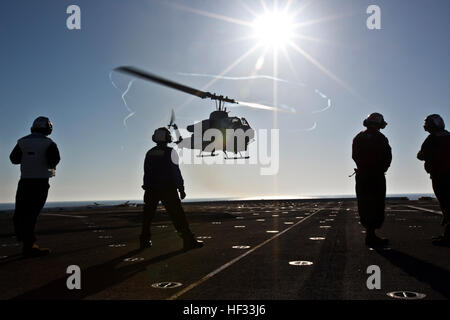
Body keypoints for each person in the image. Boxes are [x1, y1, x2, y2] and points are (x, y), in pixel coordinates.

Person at [140, 127, 203, 251]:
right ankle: (188, 240)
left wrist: (147, 186)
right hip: (167, 189)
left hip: (151, 189)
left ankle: (144, 241)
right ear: (168, 138)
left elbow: (146, 172)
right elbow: (175, 171)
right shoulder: (170, 152)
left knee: (147, 217)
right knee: (178, 216)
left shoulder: (150, 152)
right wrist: (181, 188)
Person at [9, 116, 60, 258]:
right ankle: (29, 246)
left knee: (20, 213)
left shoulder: (22, 142)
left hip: (24, 181)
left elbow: (14, 159)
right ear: (48, 128)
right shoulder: (49, 143)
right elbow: (54, 160)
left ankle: (25, 241)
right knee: (32, 214)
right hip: (41, 182)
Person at [352, 113, 392, 247]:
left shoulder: (359, 137)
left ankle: (370, 234)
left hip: (362, 175)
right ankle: (371, 235)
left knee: (364, 204)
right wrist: (381, 169)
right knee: (377, 204)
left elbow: (355, 156)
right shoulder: (381, 138)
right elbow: (387, 156)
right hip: (376, 176)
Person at [417, 114, 450, 246]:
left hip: (439, 176)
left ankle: (448, 236)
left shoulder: (432, 139)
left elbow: (421, 155)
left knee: (446, 205)